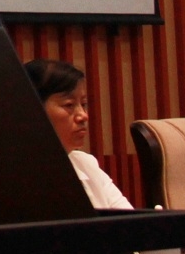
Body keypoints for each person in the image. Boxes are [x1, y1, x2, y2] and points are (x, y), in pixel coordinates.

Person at [24, 57, 132, 210]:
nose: (83, 116)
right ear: (34, 109)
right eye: (69, 105)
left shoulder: (86, 164)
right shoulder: (14, 176)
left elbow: (128, 219)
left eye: (84, 104)